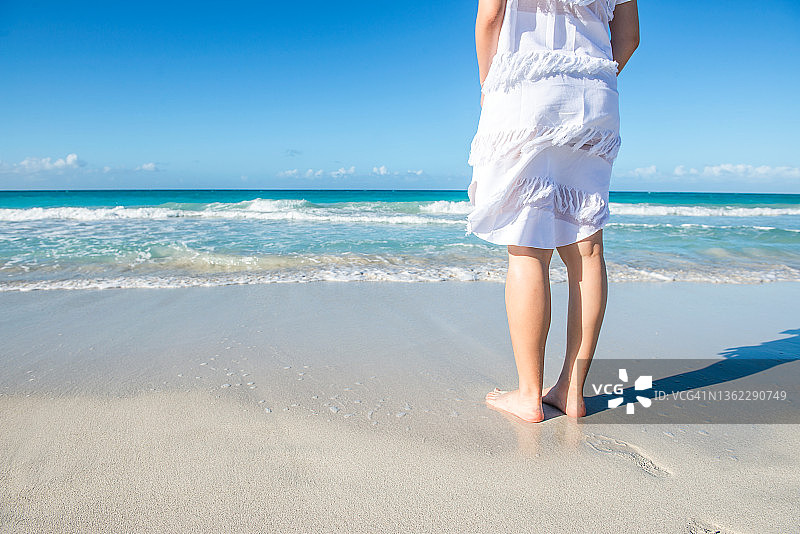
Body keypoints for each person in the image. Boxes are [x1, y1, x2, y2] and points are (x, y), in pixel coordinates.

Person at [468, 0, 640, 422]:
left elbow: (491, 16)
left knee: (528, 245)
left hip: (525, 88)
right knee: (588, 249)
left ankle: (529, 394)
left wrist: (486, 86)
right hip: (595, 95)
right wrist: (590, 71)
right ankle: (572, 391)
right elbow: (630, 38)